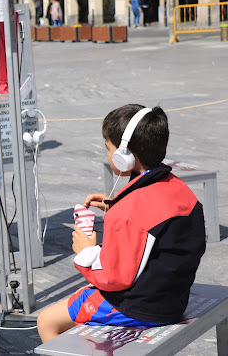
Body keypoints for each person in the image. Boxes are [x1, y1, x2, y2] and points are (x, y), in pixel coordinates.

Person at [36, 104, 206, 343]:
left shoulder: (127, 213)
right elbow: (155, 223)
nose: (108, 154)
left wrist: (86, 252)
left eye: (108, 148)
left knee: (47, 320)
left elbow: (114, 278)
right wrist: (113, 204)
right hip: (173, 298)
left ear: (124, 156)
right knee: (78, 299)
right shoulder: (180, 189)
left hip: (138, 307)